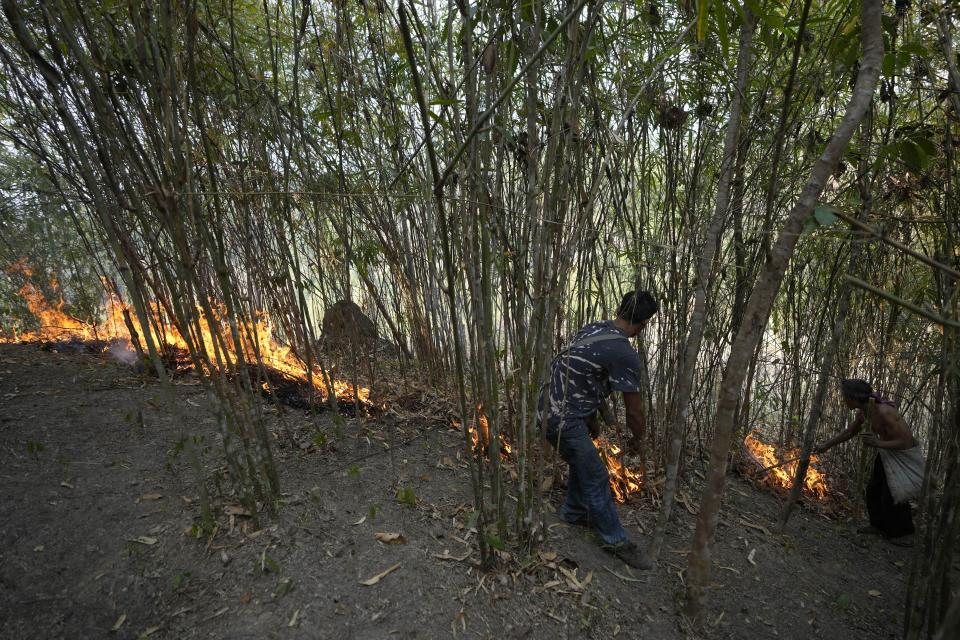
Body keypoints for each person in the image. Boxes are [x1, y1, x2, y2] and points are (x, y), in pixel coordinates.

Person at [541, 290, 657, 569]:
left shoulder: (594, 327)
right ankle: (616, 540)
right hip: (562, 419)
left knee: (584, 461)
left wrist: (595, 418)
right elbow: (634, 411)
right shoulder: (624, 353)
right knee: (596, 475)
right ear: (643, 325)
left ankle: (573, 511)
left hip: (546, 407)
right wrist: (639, 438)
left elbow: (580, 375)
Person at [815, 378, 924, 544]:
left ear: (854, 398)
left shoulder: (884, 412)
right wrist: (826, 445)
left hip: (902, 454)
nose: (843, 400)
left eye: (844, 397)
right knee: (873, 489)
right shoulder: (864, 413)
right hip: (886, 452)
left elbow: (905, 441)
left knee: (894, 493)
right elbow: (849, 432)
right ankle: (878, 525)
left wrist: (877, 443)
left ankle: (904, 533)